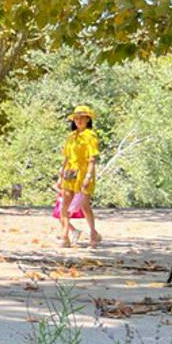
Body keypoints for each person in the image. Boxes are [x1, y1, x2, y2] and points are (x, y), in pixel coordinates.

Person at [59, 105, 102, 247]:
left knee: (84, 205)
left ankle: (93, 233)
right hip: (70, 171)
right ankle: (65, 236)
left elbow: (92, 158)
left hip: (84, 172)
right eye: (76, 118)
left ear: (88, 119)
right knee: (64, 204)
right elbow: (66, 156)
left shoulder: (91, 136)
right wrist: (61, 173)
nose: (79, 120)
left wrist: (88, 176)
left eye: (82, 118)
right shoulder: (71, 136)